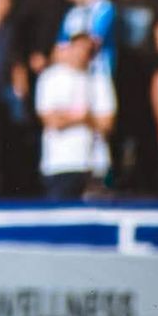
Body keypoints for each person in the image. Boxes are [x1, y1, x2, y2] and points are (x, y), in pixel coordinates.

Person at [35, 34, 116, 199]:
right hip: (60, 164)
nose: (83, 54)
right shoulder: (51, 78)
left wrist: (75, 117)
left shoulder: (99, 79)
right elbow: (51, 120)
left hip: (95, 163)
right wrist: (84, 118)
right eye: (79, 48)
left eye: (88, 50)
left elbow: (107, 123)